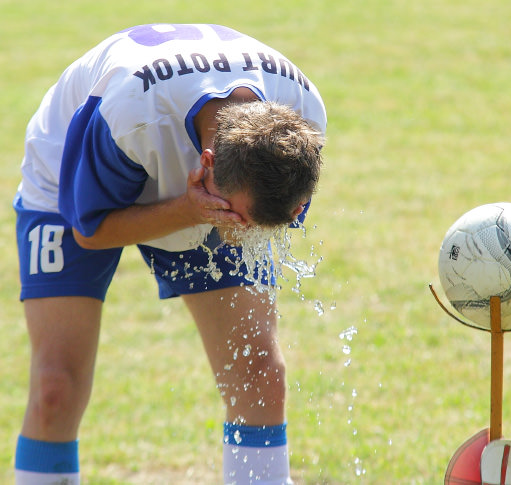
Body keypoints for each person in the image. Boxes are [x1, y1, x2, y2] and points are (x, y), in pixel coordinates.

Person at [13, 23, 326, 485]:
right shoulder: (128, 114)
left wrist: (221, 215)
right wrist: (187, 209)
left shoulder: (304, 119)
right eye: (239, 222)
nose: (243, 236)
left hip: (206, 179)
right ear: (209, 166)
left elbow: (267, 209)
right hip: (75, 173)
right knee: (55, 388)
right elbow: (90, 230)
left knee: (259, 374)